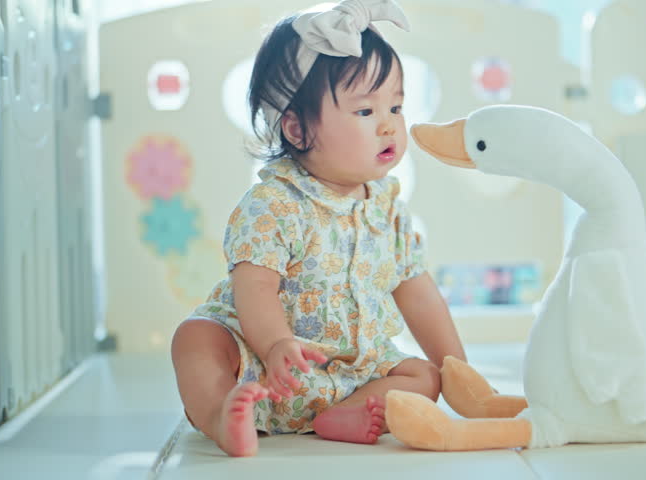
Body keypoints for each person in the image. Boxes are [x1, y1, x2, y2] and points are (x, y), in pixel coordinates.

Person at [170, 0, 466, 457]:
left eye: (396, 106)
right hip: (265, 366)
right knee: (196, 338)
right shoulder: (274, 203)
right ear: (298, 130)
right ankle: (220, 414)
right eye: (366, 112)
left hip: (354, 370)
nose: (389, 125)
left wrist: (457, 368)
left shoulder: (388, 209)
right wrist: (273, 346)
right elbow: (255, 287)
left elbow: (418, 291)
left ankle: (344, 414)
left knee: (423, 377)